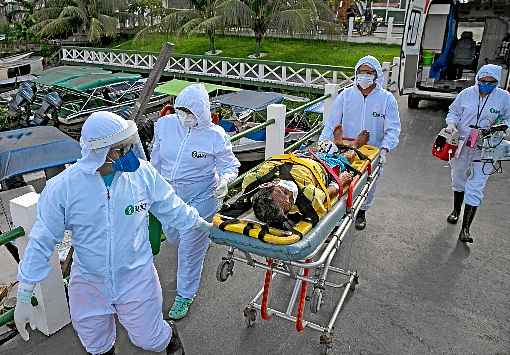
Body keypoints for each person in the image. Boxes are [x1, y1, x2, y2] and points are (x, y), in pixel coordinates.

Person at [14, 111, 213, 355]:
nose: (129, 154)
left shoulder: (143, 174)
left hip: (136, 277)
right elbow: (43, 239)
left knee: (150, 339)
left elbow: (172, 207)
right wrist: (25, 291)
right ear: (101, 153)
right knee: (96, 344)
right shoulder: (63, 188)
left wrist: (201, 224)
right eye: (121, 149)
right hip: (89, 282)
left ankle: (169, 339)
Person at [151, 84, 240, 320]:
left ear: (201, 111)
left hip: (201, 197)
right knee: (174, 238)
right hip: (170, 196)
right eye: (181, 111)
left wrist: (225, 181)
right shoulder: (165, 125)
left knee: (190, 249)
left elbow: (230, 165)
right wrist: (150, 184)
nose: (185, 117)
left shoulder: (215, 135)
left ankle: (185, 294)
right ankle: (202, 240)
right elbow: (156, 158)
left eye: (190, 112)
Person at [319, 55, 401, 230]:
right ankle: (339, 215)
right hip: (345, 150)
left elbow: (393, 128)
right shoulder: (346, 96)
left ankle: (362, 211)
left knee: (368, 184)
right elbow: (331, 122)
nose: (365, 76)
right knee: (340, 180)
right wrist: (323, 143)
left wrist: (385, 149)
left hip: (372, 152)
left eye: (369, 72)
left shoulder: (386, 99)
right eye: (361, 72)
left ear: (376, 74)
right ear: (356, 74)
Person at [221, 141, 365, 230]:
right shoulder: (307, 197)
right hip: (325, 166)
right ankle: (355, 145)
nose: (290, 194)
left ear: (269, 184)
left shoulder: (252, 181)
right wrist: (341, 180)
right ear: (286, 213)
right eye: (290, 201)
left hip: (302, 155)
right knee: (348, 157)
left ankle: (337, 142)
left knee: (326, 145)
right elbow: (330, 191)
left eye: (283, 191)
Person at [444, 64, 510, 243]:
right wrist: (451, 125)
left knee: (477, 185)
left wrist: (500, 128)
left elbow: (508, 119)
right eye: (483, 81)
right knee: (458, 177)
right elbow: (453, 112)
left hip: (487, 146)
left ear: (497, 82)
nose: (486, 84)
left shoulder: (504, 98)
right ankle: (456, 210)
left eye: (491, 82)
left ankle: (465, 229)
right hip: (462, 143)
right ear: (477, 79)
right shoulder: (465, 94)